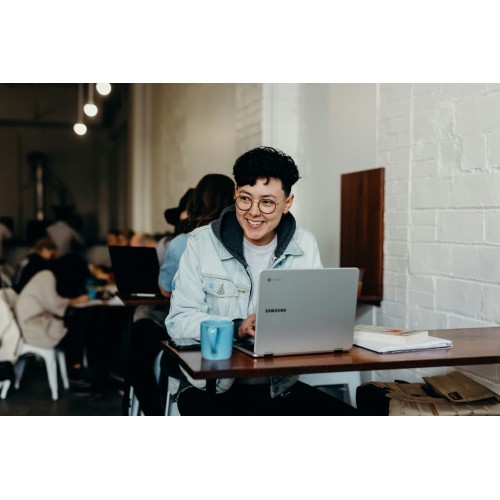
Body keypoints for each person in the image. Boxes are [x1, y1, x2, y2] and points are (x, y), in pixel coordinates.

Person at [165, 146, 358, 415]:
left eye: (267, 202)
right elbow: (178, 321)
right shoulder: (201, 242)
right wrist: (236, 327)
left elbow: (314, 319)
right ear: (235, 194)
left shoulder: (304, 243)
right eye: (245, 199)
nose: (253, 212)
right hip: (212, 388)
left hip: (277, 388)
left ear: (287, 203)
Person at [128, 174, 235, 415]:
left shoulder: (183, 242)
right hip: (231, 331)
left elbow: (165, 289)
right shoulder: (243, 240)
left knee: (138, 347)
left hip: (191, 332)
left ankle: (152, 412)